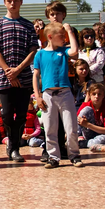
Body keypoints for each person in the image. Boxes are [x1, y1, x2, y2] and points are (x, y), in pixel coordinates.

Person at [0, 0, 38, 162]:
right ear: (4, 2)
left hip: (23, 77)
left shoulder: (28, 25)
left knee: (23, 114)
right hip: (5, 78)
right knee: (7, 114)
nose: (13, 3)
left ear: (21, 1)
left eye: (16, 0)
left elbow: (33, 50)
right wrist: (9, 72)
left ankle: (15, 147)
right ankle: (12, 142)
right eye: (9, 0)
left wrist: (18, 70)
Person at [32, 22, 81, 168]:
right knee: (50, 128)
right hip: (48, 95)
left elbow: (74, 51)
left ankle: (74, 155)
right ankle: (53, 157)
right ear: (50, 37)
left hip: (65, 92)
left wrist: (69, 30)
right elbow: (36, 76)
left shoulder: (63, 51)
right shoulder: (40, 54)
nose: (64, 39)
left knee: (71, 127)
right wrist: (38, 95)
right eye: (61, 36)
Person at [76, 83, 105, 150]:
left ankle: (82, 143)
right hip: (88, 133)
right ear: (89, 95)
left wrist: (87, 125)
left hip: (104, 135)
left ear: (103, 95)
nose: (96, 96)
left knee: (103, 140)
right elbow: (77, 121)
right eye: (94, 94)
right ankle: (74, 138)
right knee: (86, 109)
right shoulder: (86, 105)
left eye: (99, 94)